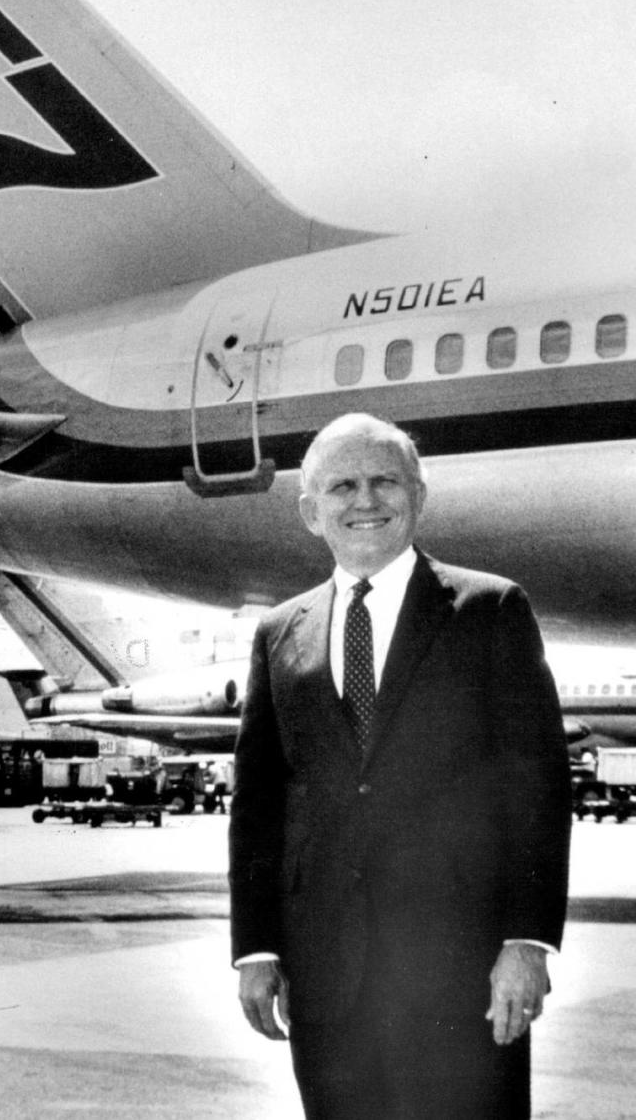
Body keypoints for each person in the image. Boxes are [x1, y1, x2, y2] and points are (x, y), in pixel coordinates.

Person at [228, 412, 571, 1120]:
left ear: (418, 495)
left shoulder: (490, 609)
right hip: (325, 975)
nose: (365, 500)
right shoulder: (279, 633)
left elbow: (535, 789)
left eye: (385, 481)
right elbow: (258, 805)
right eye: (343, 485)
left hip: (460, 971)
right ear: (309, 510)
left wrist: (526, 942)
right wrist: (255, 947)